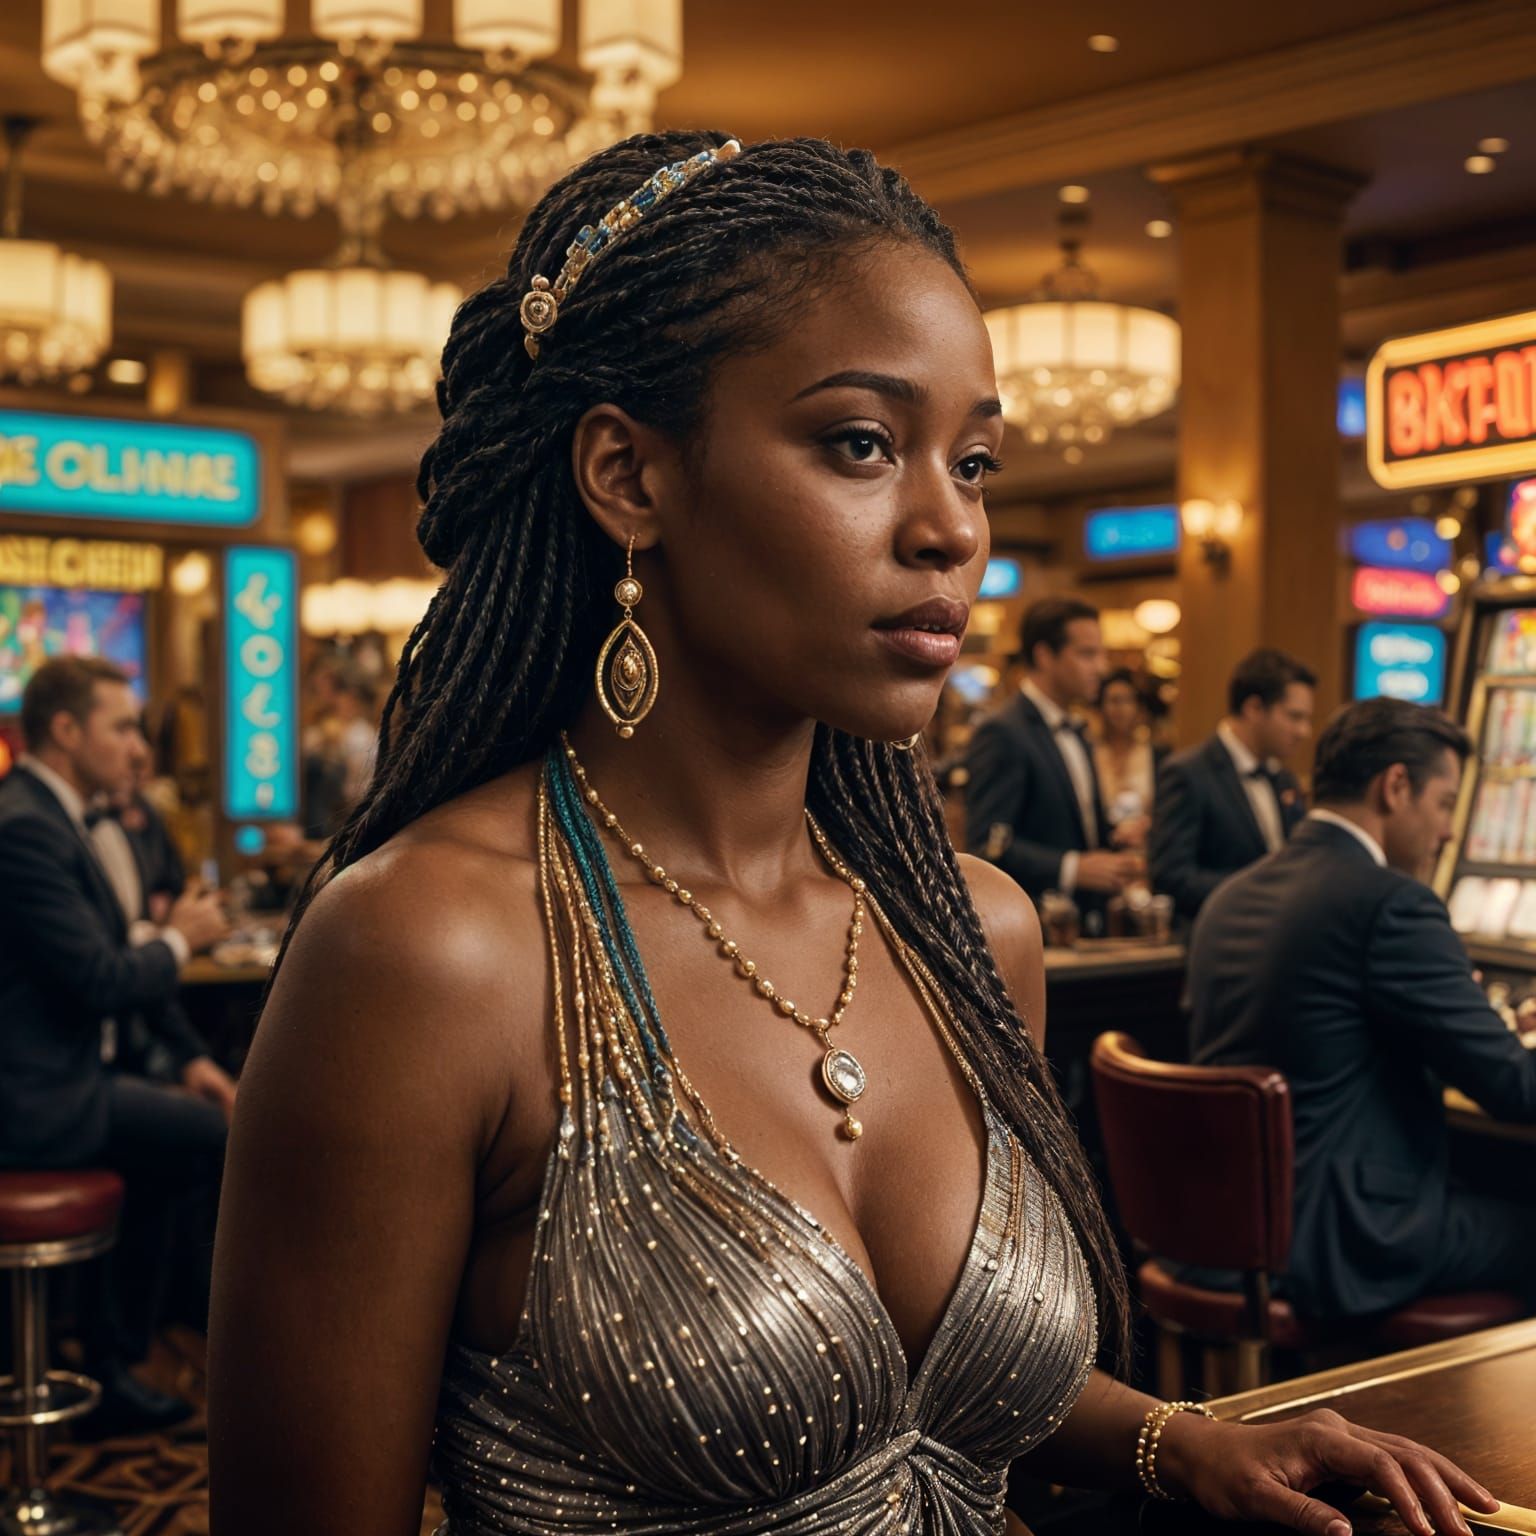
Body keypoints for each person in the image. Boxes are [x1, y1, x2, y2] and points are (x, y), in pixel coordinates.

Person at [208, 132, 1493, 1536]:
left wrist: (1180, 1441)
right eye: (862, 444)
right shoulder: (428, 952)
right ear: (629, 476)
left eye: (976, 462)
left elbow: (935, 1393)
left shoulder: (973, 927)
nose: (952, 529)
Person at [1187, 698, 1536, 1321]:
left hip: (1218, 1228)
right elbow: (1515, 1088)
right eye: (1445, 804)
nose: (1449, 832)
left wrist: (1471, 1016)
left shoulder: (1232, 893)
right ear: (1395, 786)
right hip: (1341, 1239)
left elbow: (1326, 1034)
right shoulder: (1393, 904)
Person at [0, 657, 233, 1435]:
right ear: (66, 731)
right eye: (124, 726)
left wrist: (191, 1058)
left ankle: (111, 1351)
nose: (139, 744)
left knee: (185, 1129)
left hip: (64, 1078)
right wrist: (180, 938)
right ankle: (119, 1358)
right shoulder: (26, 825)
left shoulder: (52, 813)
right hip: (33, 1103)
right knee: (211, 1136)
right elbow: (101, 978)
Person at [963, 598, 1141, 928]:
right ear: (1044, 655)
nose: (1101, 668)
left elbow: (1068, 826)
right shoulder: (1003, 731)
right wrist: (1071, 868)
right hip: (1033, 926)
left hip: (1086, 926)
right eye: (1087, 654)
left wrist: (1117, 836)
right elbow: (987, 844)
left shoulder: (1079, 729)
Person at [1149, 648, 1314, 920]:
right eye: (1294, 717)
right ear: (1254, 708)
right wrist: (1264, 892)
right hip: (1216, 936)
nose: (1304, 731)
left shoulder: (1284, 778)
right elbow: (1171, 877)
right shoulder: (1187, 773)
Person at [1093, 668, 1160, 851]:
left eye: (1128, 700)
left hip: (1144, 850)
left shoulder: (1156, 755)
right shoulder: (1089, 753)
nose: (1120, 708)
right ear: (1101, 706)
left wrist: (1147, 826)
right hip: (1099, 851)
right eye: (1114, 701)